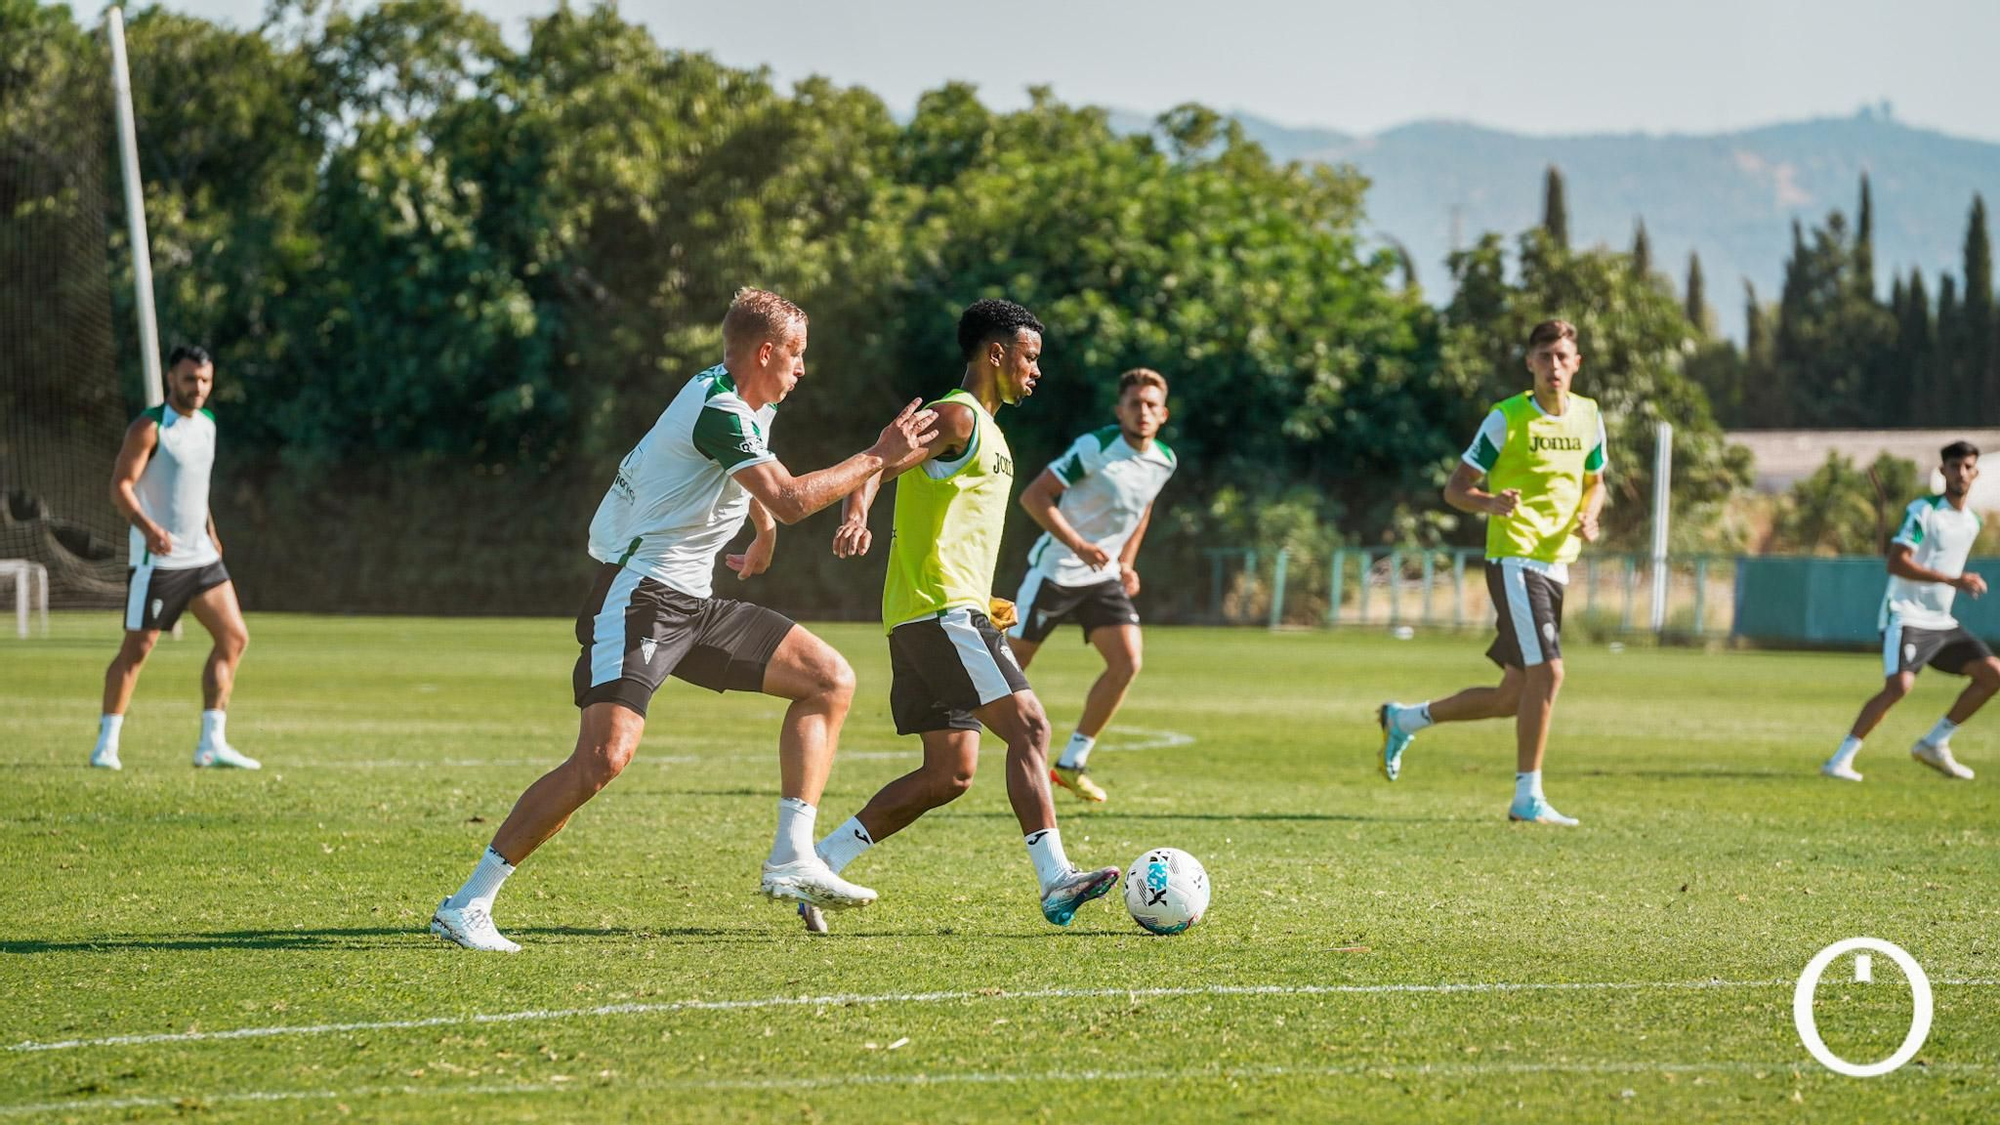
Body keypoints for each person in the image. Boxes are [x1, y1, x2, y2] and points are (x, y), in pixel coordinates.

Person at [430, 288, 938, 952]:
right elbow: (786, 496)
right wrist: (875, 455)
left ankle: (792, 855)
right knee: (602, 758)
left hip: (693, 603)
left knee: (828, 679)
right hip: (639, 594)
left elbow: (758, 484)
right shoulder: (719, 407)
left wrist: (761, 533)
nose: (802, 369)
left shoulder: (753, 400)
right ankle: (468, 902)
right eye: (796, 355)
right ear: (765, 351)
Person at [804, 299, 1121, 933]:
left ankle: (817, 866)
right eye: (1030, 357)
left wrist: (984, 595)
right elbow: (879, 460)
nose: (1036, 371)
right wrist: (857, 510)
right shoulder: (957, 415)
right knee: (1030, 727)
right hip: (939, 610)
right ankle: (1057, 881)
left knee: (948, 773)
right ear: (995, 353)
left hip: (944, 610)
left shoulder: (993, 432)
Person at [1374, 319, 1607, 826]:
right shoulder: (1506, 418)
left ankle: (1404, 718)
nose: (1554, 365)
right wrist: (1491, 503)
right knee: (1551, 673)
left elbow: (1596, 481)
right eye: (1544, 356)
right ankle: (1528, 798)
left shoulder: (1589, 416)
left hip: (1557, 563)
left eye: (1563, 356)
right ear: (1529, 362)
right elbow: (1456, 490)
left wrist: (1592, 513)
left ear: (1577, 363)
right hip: (1515, 559)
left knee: (1511, 697)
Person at [1005, 367, 1177, 804]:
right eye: (1135, 404)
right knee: (1008, 667)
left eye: (1151, 405)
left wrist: (1127, 563)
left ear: (1163, 414)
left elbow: (1142, 510)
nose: (1143, 411)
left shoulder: (1164, 460)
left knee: (1127, 662)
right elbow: (1034, 497)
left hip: (1102, 578)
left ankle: (1072, 762)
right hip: (1056, 571)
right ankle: (951, 734)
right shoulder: (1094, 448)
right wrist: (1079, 545)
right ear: (1119, 410)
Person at [92, 345, 256, 772]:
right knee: (137, 650)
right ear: (172, 379)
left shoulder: (208, 425)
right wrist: (149, 530)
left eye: (204, 380)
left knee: (234, 638)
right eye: (189, 379)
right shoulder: (150, 427)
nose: (197, 387)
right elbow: (120, 486)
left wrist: (212, 533)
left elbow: (196, 488)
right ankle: (106, 745)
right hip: (158, 560)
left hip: (200, 558)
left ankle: (211, 743)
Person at [1822, 441, 1992, 782]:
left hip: (1942, 621)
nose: (1961, 473)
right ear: (1942, 471)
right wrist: (1952, 580)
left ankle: (1935, 742)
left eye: (1967, 467)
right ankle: (1840, 760)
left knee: (1994, 673)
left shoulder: (1972, 521)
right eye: (1954, 466)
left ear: (1976, 473)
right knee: (1899, 686)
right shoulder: (1923, 511)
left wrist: (1954, 583)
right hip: (1907, 614)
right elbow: (1897, 563)